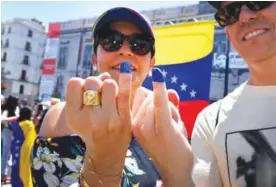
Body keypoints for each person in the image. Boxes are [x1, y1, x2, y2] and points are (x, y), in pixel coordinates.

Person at [31, 7, 192, 187]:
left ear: (151, 63)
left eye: (140, 44)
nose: (125, 51)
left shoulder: (162, 115)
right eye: (111, 40)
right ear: (94, 58)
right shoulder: (61, 118)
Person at [191, 1, 276, 187]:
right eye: (231, 12)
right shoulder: (211, 122)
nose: (245, 16)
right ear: (228, 34)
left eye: (258, 1)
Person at [8, 106, 37, 187]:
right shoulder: (29, 124)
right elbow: (32, 140)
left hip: (15, 149)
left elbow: (4, 121)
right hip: (24, 151)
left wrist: (17, 117)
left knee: (15, 169)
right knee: (24, 170)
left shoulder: (15, 124)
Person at [1, 95, 20, 184]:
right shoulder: (7, 110)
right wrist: (15, 118)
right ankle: (2, 174)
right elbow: (2, 119)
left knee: (8, 154)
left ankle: (4, 174)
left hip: (9, 132)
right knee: (6, 154)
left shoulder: (11, 110)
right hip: (7, 131)